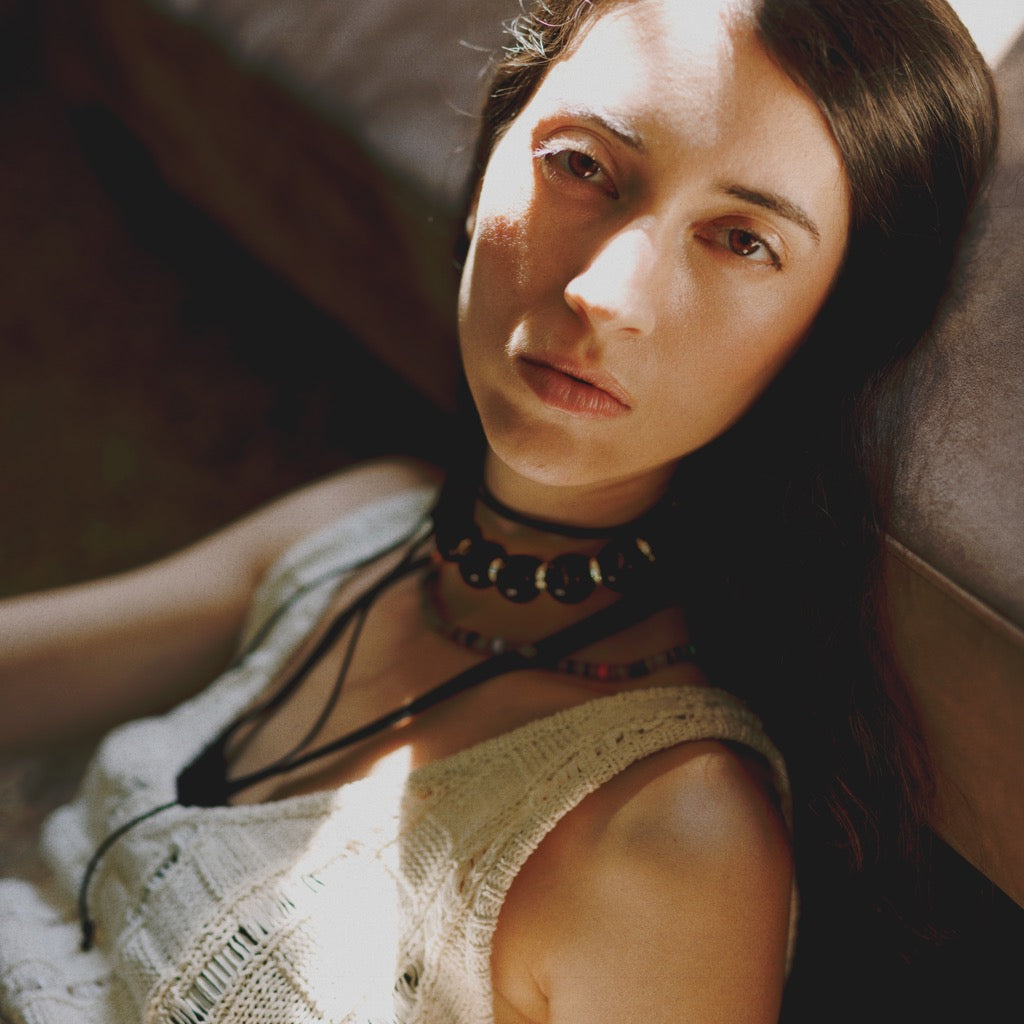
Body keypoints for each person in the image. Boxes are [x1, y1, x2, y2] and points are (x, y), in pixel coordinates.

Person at [0, 0, 998, 1022]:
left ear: (820, 340)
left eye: (741, 240)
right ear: (488, 166)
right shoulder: (364, 529)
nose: (607, 293)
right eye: (582, 165)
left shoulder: (670, 836)